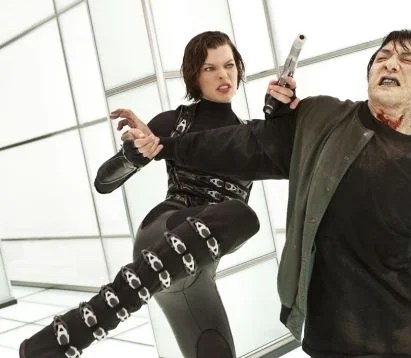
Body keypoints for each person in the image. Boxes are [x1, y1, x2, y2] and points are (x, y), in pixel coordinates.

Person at [131, 29, 411, 357]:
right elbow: (242, 144)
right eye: (382, 57)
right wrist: (165, 146)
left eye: (406, 59)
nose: (390, 64)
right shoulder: (322, 121)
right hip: (344, 337)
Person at [19, 31, 292, 358]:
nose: (223, 75)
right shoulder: (175, 122)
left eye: (229, 65)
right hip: (163, 231)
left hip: (193, 269)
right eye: (210, 68)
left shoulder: (251, 136)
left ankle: (59, 338)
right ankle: (94, 319)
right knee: (241, 215)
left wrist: (283, 117)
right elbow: (104, 182)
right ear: (194, 76)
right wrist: (132, 156)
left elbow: (294, 158)